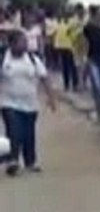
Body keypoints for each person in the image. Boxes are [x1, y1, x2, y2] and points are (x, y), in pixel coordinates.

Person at [0, 29, 58, 176]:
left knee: (28, 133)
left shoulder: (33, 59)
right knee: (14, 131)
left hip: (30, 103)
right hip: (9, 103)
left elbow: (44, 78)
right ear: (11, 44)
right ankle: (13, 160)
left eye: (25, 42)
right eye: (21, 42)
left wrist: (51, 98)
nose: (25, 45)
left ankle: (30, 162)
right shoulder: (4, 59)